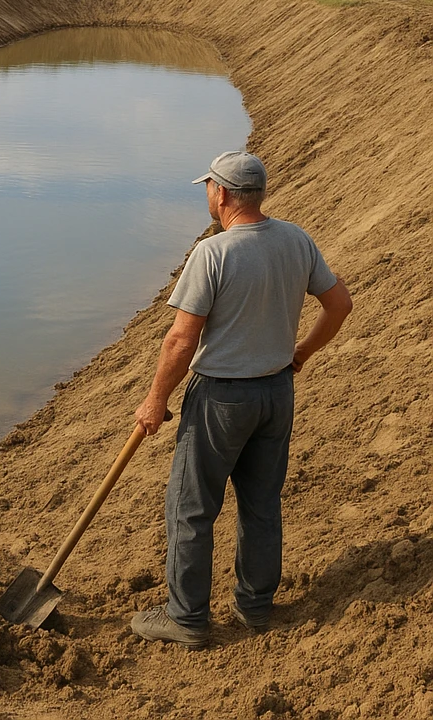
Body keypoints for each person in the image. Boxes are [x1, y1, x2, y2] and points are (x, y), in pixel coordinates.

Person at [129, 151, 352, 648]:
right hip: (276, 392)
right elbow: (339, 304)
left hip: (220, 400)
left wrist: (153, 400)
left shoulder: (213, 254)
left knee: (191, 508)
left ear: (223, 194)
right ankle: (255, 607)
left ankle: (186, 619)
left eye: (208, 186)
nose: (206, 194)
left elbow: (180, 341)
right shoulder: (296, 239)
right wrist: (303, 353)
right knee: (261, 503)